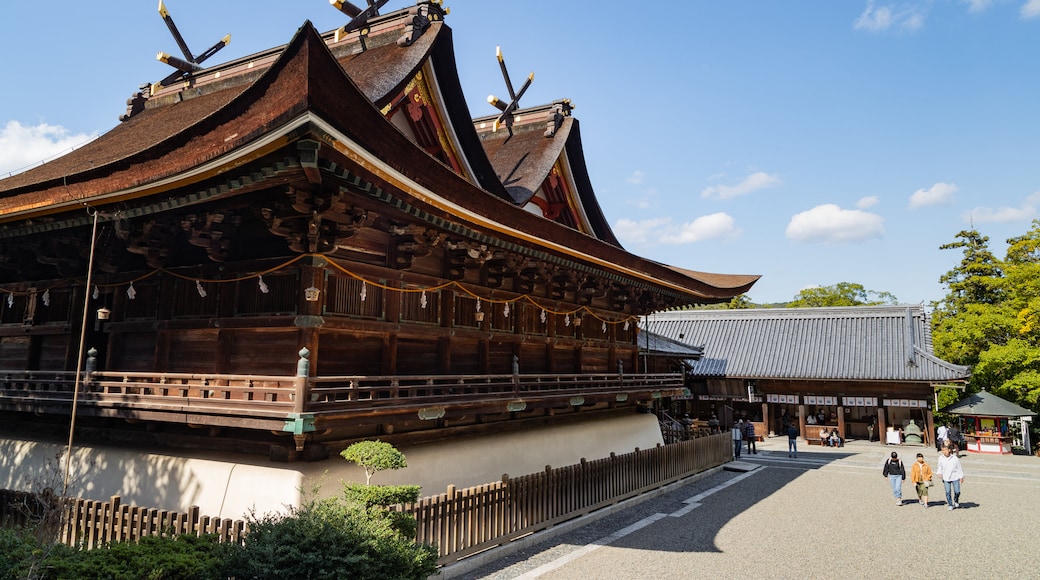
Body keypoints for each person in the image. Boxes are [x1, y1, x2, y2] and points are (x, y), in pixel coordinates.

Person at [936, 445, 965, 510]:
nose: (944, 452)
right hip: (946, 477)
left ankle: (956, 500)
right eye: (943, 450)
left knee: (957, 491)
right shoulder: (941, 458)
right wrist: (939, 473)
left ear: (949, 450)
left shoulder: (954, 458)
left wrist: (961, 476)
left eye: (945, 450)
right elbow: (939, 466)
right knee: (948, 492)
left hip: (955, 476)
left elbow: (959, 467)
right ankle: (950, 504)